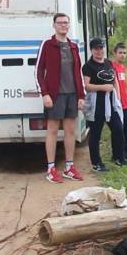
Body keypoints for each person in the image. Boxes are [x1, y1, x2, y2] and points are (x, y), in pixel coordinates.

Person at [35, 13, 86, 183]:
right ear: (54, 25)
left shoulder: (73, 46)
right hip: (55, 95)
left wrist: (81, 95)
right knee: (52, 131)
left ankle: (69, 167)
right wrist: (45, 93)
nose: (64, 25)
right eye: (60, 23)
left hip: (71, 94)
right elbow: (38, 71)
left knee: (71, 131)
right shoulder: (47, 45)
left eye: (66, 23)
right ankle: (51, 169)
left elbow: (78, 72)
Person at [82, 37, 126, 172]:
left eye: (101, 48)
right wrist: (102, 88)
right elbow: (87, 86)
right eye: (96, 49)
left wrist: (117, 96)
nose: (99, 51)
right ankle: (96, 163)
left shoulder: (108, 63)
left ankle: (119, 157)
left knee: (118, 128)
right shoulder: (88, 66)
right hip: (97, 102)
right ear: (92, 50)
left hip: (111, 101)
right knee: (96, 133)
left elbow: (115, 81)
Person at [112, 42, 127, 161]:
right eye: (120, 53)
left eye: (125, 53)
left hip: (125, 103)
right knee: (118, 130)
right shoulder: (112, 66)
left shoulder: (123, 67)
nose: (122, 55)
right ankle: (117, 155)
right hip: (117, 104)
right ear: (114, 53)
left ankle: (125, 152)